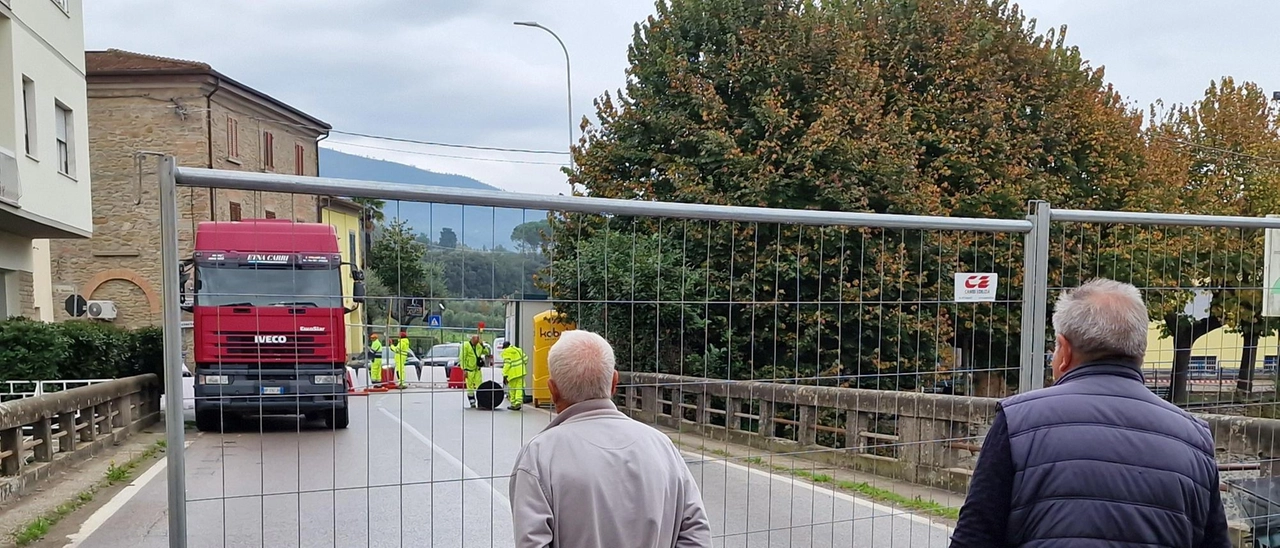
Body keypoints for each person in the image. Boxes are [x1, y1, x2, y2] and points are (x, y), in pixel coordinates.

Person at [949, 279, 1229, 548]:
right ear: (1140, 351)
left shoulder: (1018, 421)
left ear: (1065, 350)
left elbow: (975, 536)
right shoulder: (1194, 437)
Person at [509, 330, 711, 548]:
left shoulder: (539, 456)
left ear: (553, 390)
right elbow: (696, 534)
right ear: (614, 382)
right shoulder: (662, 446)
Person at [458, 335, 489, 408]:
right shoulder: (465, 346)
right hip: (469, 370)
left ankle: (481, 402)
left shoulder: (478, 345)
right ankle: (472, 402)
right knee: (470, 387)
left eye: (477, 341)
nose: (476, 343)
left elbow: (486, 352)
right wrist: (464, 369)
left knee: (480, 386)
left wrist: (482, 345)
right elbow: (462, 358)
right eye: (475, 341)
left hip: (477, 369)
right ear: (472, 339)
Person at [500, 341, 529, 411]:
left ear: (504, 347)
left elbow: (507, 364)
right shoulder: (518, 350)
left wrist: (504, 374)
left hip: (512, 374)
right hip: (521, 372)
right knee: (519, 387)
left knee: (512, 389)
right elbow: (525, 359)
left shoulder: (506, 352)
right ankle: (518, 402)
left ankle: (513, 404)